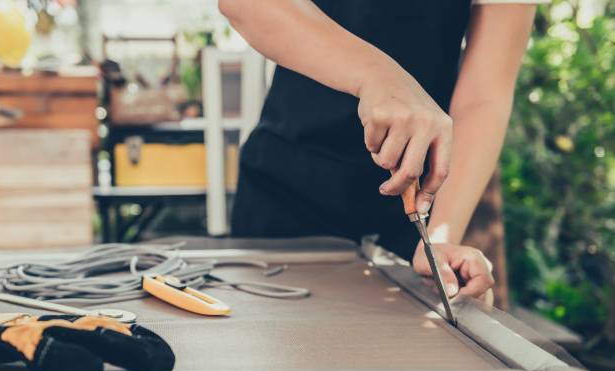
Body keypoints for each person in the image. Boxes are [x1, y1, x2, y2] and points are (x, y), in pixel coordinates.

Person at [219, 0, 544, 299]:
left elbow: (484, 96)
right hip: (284, 191)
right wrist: (379, 77)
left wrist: (439, 238)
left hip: (412, 209)